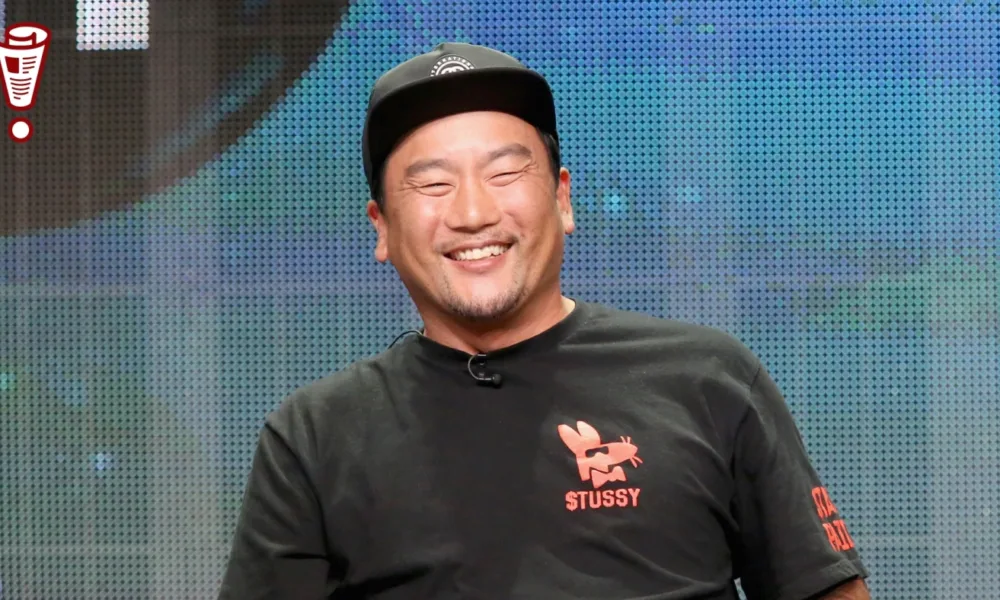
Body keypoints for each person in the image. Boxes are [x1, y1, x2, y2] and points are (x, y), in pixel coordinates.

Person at [218, 42, 871, 599]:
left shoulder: (706, 378)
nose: (473, 213)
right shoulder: (315, 436)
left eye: (505, 172)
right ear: (381, 227)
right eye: (434, 184)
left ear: (561, 198)